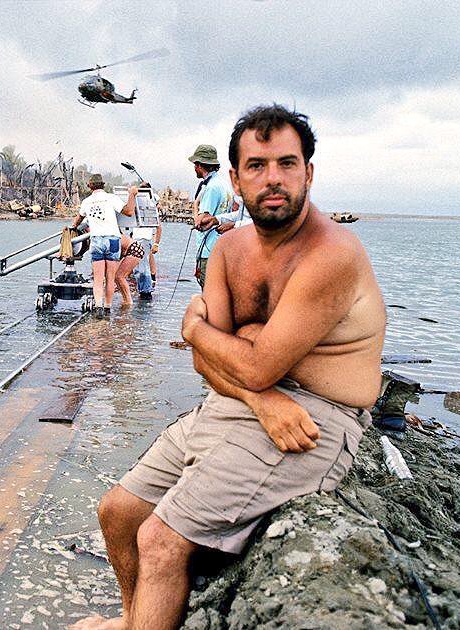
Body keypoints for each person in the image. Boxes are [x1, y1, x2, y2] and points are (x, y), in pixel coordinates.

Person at [76, 105, 386, 630]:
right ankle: (132, 620)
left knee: (160, 539)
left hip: (317, 417)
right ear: (236, 179)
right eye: (258, 166)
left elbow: (250, 360)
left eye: (287, 164)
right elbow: (212, 364)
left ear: (309, 172)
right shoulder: (228, 249)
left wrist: (198, 329)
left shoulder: (331, 254)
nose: (274, 179)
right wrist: (256, 393)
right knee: (119, 513)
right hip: (247, 402)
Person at [71, 174, 137, 318]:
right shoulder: (111, 198)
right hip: (113, 239)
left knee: (98, 278)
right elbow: (129, 211)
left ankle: (98, 308)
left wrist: (73, 228)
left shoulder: (86, 202)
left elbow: (77, 220)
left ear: (90, 186)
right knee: (110, 277)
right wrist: (132, 194)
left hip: (96, 240)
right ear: (103, 185)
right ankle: (107, 308)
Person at [188, 144, 245, 287]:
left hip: (208, 252)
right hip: (222, 250)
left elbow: (200, 222)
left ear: (199, 165)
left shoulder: (212, 187)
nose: (194, 168)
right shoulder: (224, 184)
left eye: (195, 165)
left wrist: (195, 205)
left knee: (209, 295)